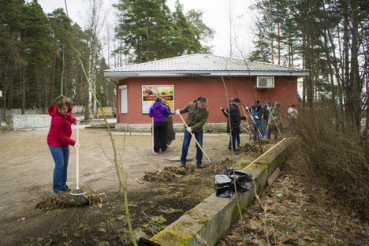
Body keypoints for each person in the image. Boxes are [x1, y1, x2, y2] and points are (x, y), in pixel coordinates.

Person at [47, 95, 81, 194]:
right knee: (59, 165)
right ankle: (57, 188)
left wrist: (74, 120)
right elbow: (60, 136)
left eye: (65, 108)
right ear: (57, 108)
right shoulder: (56, 118)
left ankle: (63, 184)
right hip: (55, 143)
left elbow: (68, 117)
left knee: (65, 164)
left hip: (64, 142)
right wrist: (73, 142)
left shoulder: (65, 113)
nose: (63, 111)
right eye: (61, 109)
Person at [176, 96, 209, 168]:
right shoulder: (191, 105)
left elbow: (202, 122)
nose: (204, 106)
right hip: (188, 127)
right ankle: (183, 161)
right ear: (198, 103)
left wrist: (193, 128)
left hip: (198, 129)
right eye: (202, 105)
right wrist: (179, 111)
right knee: (185, 145)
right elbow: (185, 109)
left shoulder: (206, 111)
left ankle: (199, 162)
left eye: (205, 105)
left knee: (199, 146)